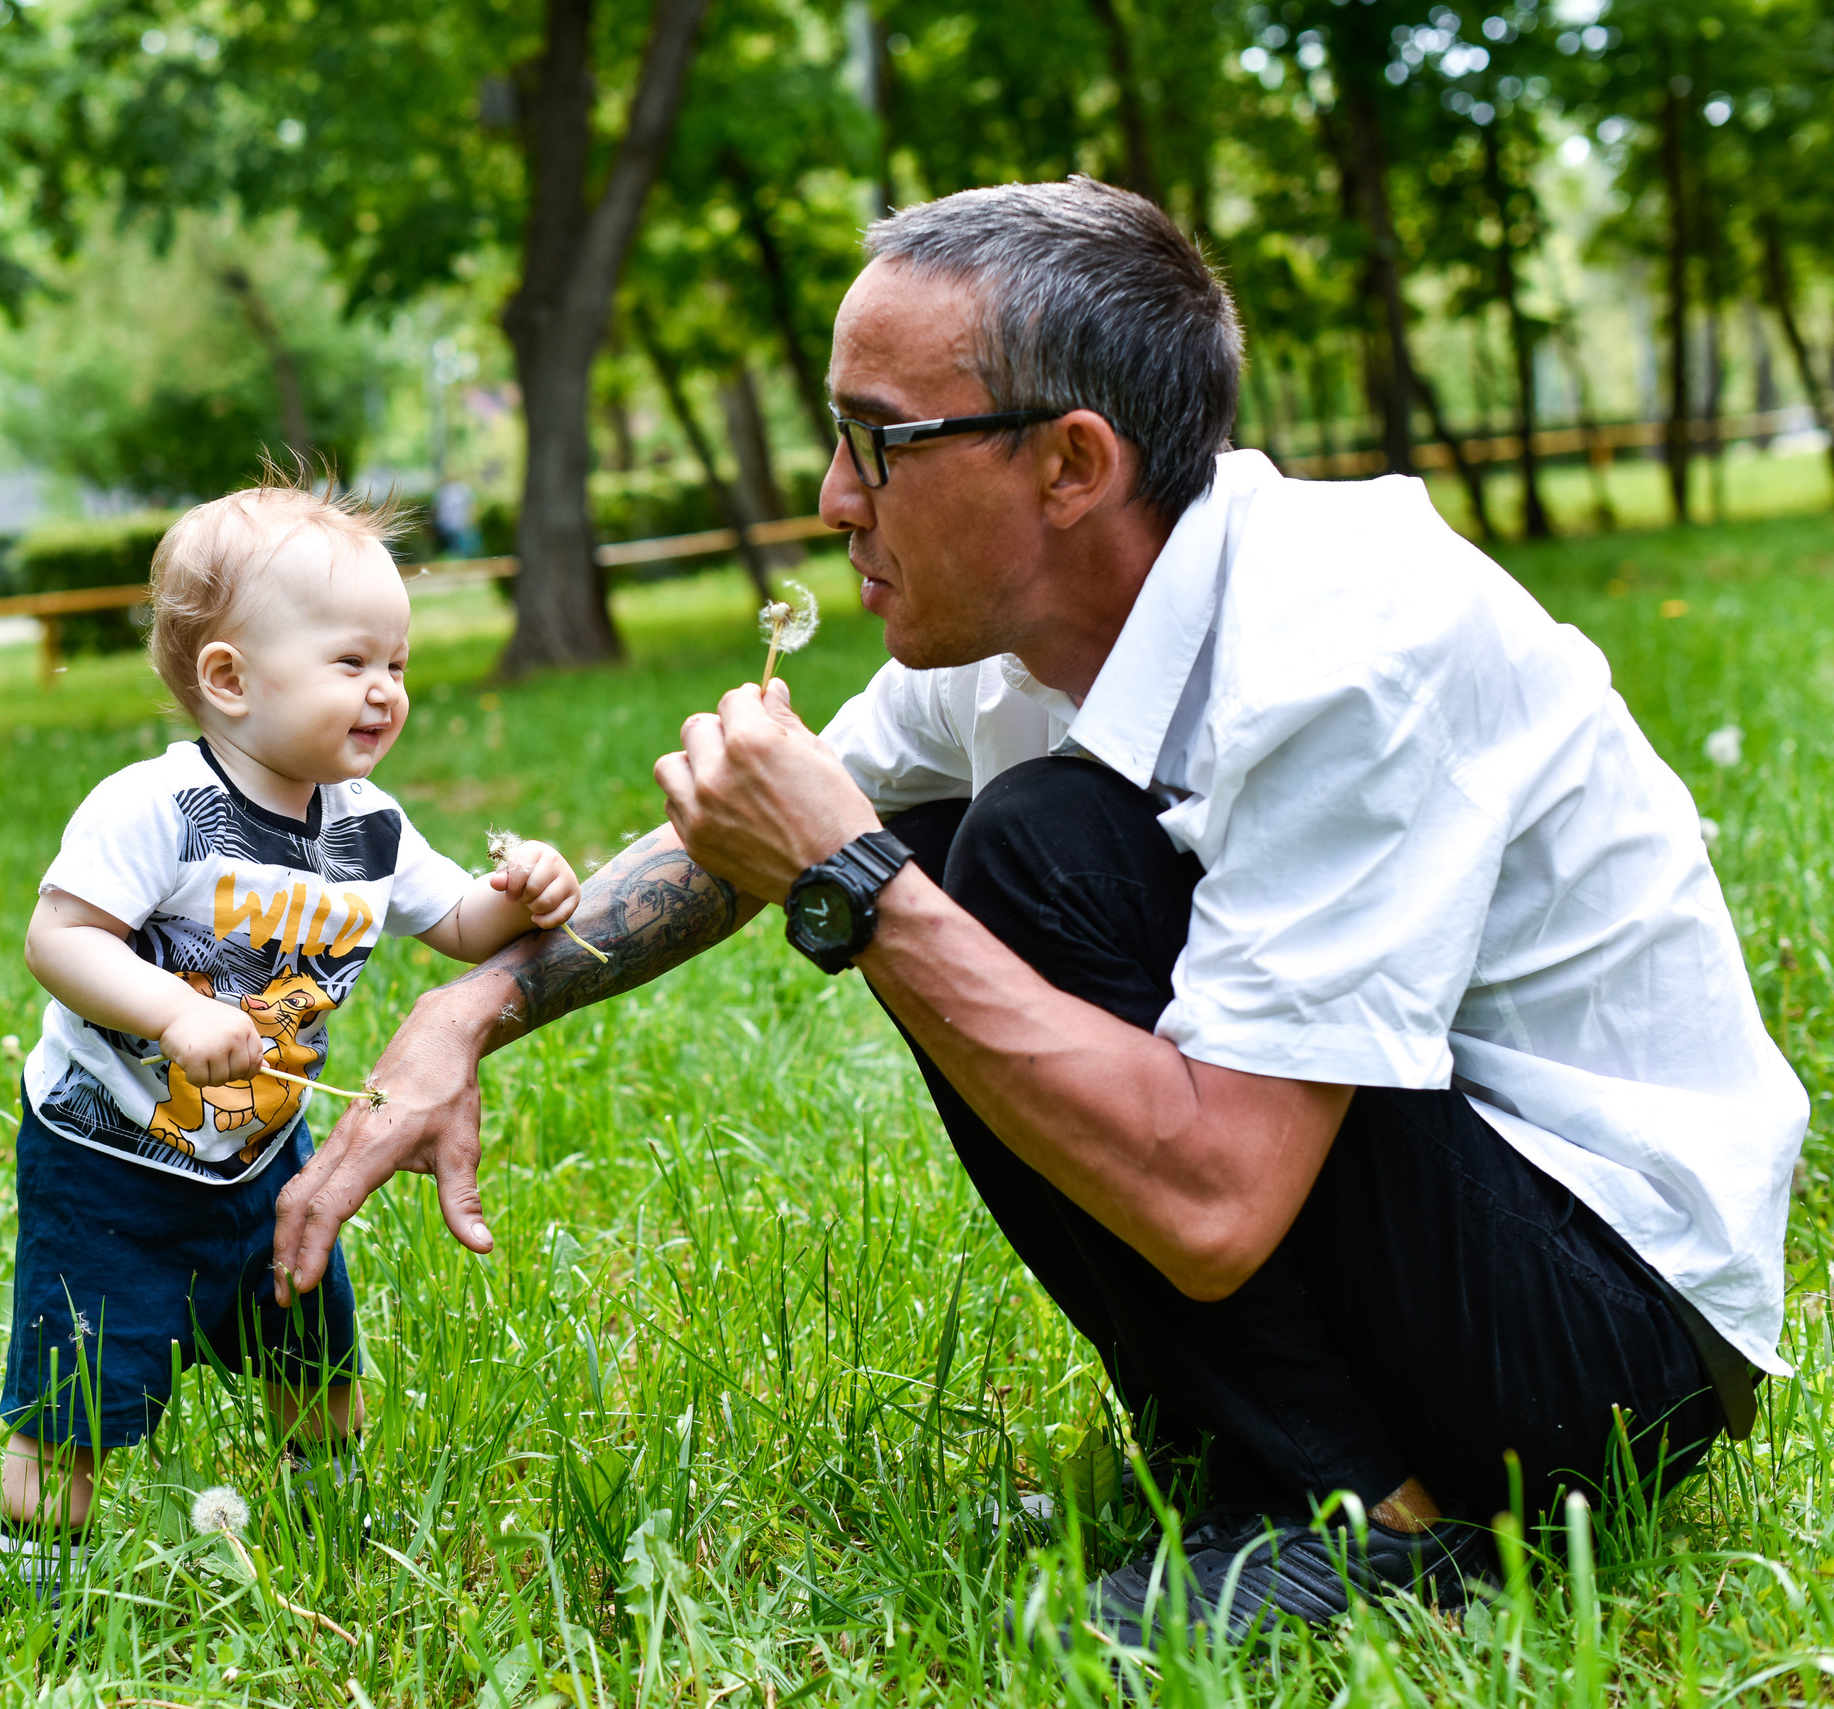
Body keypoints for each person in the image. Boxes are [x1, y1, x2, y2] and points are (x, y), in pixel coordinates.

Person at [268, 179, 1805, 1645]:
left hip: (1610, 1343)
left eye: (879, 443)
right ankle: (1291, 1453)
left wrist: (860, 885)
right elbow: (744, 847)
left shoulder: (1348, 644)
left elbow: (1221, 1201)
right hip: (1453, 1255)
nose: (829, 496)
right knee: (965, 833)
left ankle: (1377, 1518)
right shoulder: (1012, 631)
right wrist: (473, 1005)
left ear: (1071, 466)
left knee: (1012, 850)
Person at [0, 472, 582, 1596]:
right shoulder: (153, 806)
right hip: (108, 1159)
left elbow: (463, 922)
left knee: (310, 1338)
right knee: (77, 1377)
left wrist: (530, 887)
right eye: (352, 662)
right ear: (229, 677)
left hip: (265, 1159)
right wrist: (173, 1008)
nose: (385, 691)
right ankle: (42, 1580)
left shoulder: (367, 826)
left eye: (397, 664)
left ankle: (326, 1517)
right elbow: (59, 938)